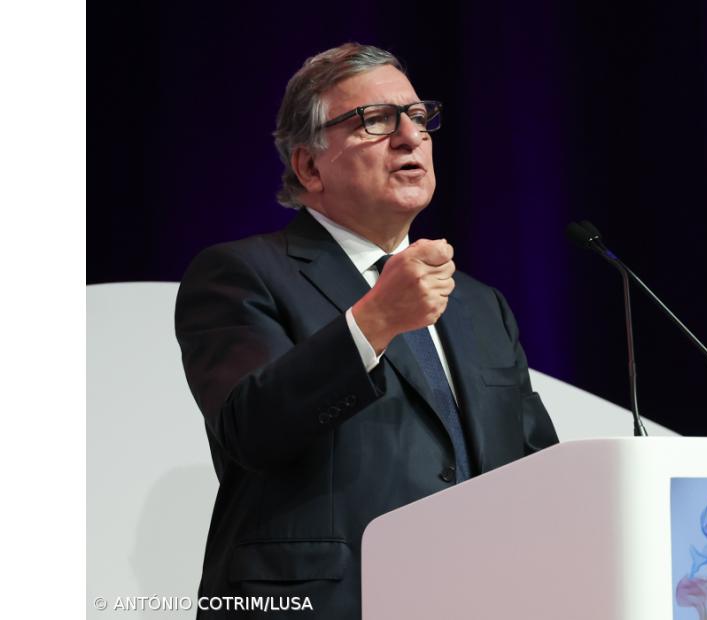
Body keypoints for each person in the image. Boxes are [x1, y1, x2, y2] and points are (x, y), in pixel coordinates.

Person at [175, 42, 558, 618]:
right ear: (309, 166)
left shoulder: (479, 304)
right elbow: (249, 430)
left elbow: (534, 467)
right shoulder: (242, 274)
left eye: (419, 116)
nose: (410, 137)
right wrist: (373, 321)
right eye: (375, 120)